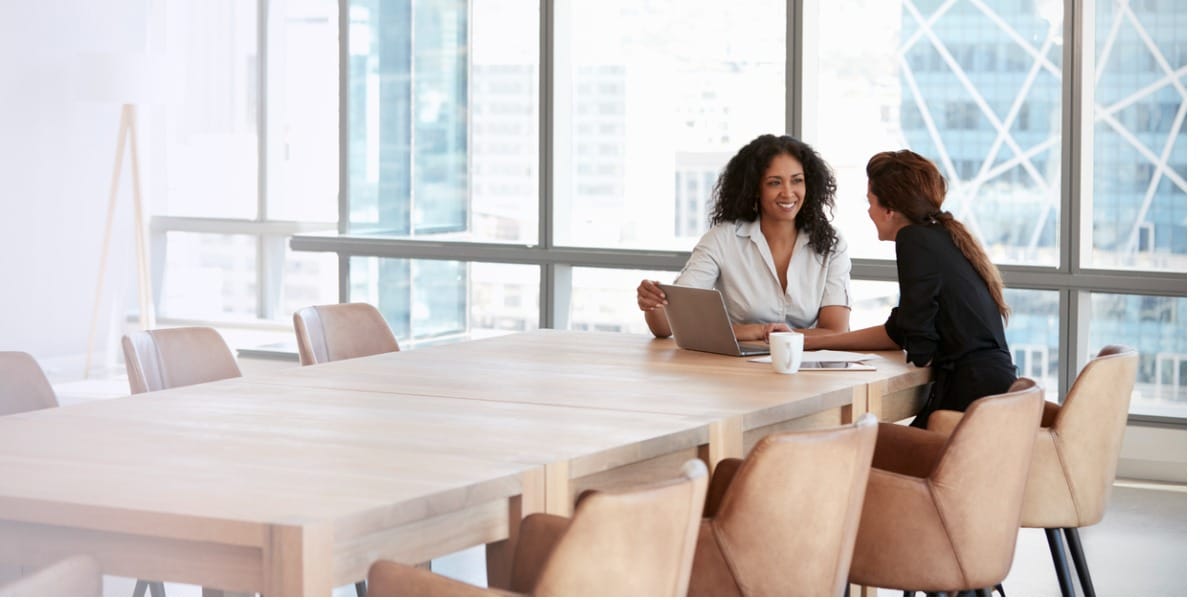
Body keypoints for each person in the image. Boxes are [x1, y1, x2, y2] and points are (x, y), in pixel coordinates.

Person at [806, 149, 1016, 428]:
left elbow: (919, 343)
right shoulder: (942, 236)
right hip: (991, 389)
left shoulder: (913, 239)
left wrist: (915, 338)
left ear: (889, 210)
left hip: (970, 397)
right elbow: (901, 329)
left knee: (859, 443)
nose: (869, 211)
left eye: (870, 202)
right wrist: (813, 341)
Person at [637, 134, 852, 341]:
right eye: (774, 183)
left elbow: (836, 330)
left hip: (809, 368)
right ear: (755, 188)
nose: (788, 193)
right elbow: (667, 325)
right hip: (737, 370)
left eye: (797, 181)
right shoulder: (722, 240)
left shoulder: (831, 244)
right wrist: (653, 302)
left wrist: (767, 335)